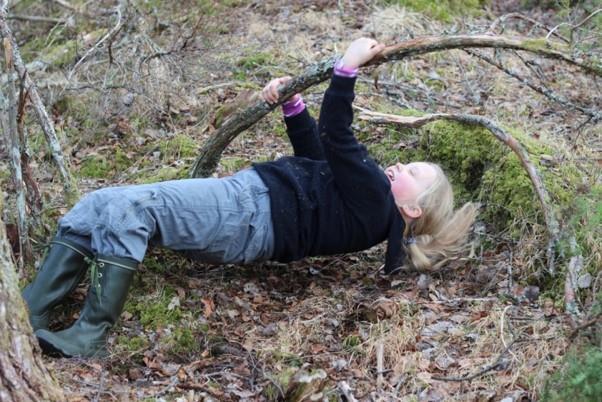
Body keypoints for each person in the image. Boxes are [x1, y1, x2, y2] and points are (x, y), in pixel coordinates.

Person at [23, 38, 477, 358]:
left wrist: (347, 67)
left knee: (130, 209)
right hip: (248, 208)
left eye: (412, 173)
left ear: (412, 208)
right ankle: (33, 312)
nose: (400, 166)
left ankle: (90, 335)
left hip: (248, 216)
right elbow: (319, 160)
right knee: (96, 205)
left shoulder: (378, 202)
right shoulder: (368, 201)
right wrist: (293, 107)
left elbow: (337, 134)